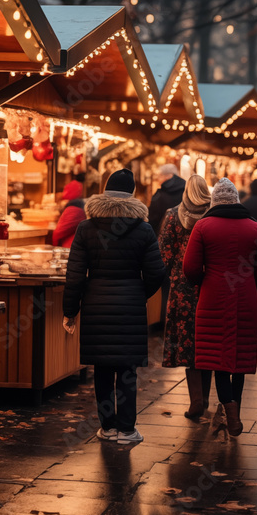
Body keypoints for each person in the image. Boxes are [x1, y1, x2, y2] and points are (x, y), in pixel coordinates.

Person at [63, 169, 165, 445]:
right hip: (130, 307)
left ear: (105, 192)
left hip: (96, 304)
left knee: (103, 370)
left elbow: (74, 274)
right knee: (127, 371)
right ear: (132, 194)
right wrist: (139, 293)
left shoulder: (86, 228)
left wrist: (70, 311)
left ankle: (107, 427)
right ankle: (127, 430)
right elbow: (157, 273)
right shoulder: (143, 230)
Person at [183, 178, 257, 437]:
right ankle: (234, 414)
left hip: (213, 298)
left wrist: (204, 280)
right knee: (240, 359)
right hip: (247, 299)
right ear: (236, 199)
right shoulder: (254, 228)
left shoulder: (202, 226)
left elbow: (189, 267)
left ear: (214, 201)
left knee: (219, 358)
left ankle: (231, 414)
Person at [159, 175, 213, 419]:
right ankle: (206, 399)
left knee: (188, 343)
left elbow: (165, 254)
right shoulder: (214, 216)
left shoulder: (173, 215)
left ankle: (196, 402)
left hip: (182, 289)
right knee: (207, 342)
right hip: (210, 286)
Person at [148, 164, 186, 234]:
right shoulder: (186, 191)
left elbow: (152, 219)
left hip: (163, 235)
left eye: (160, 175)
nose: (158, 178)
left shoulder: (159, 195)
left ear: (169, 175)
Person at [52, 179, 86, 248]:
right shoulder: (81, 207)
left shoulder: (73, 209)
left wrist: (55, 248)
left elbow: (58, 233)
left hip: (69, 249)